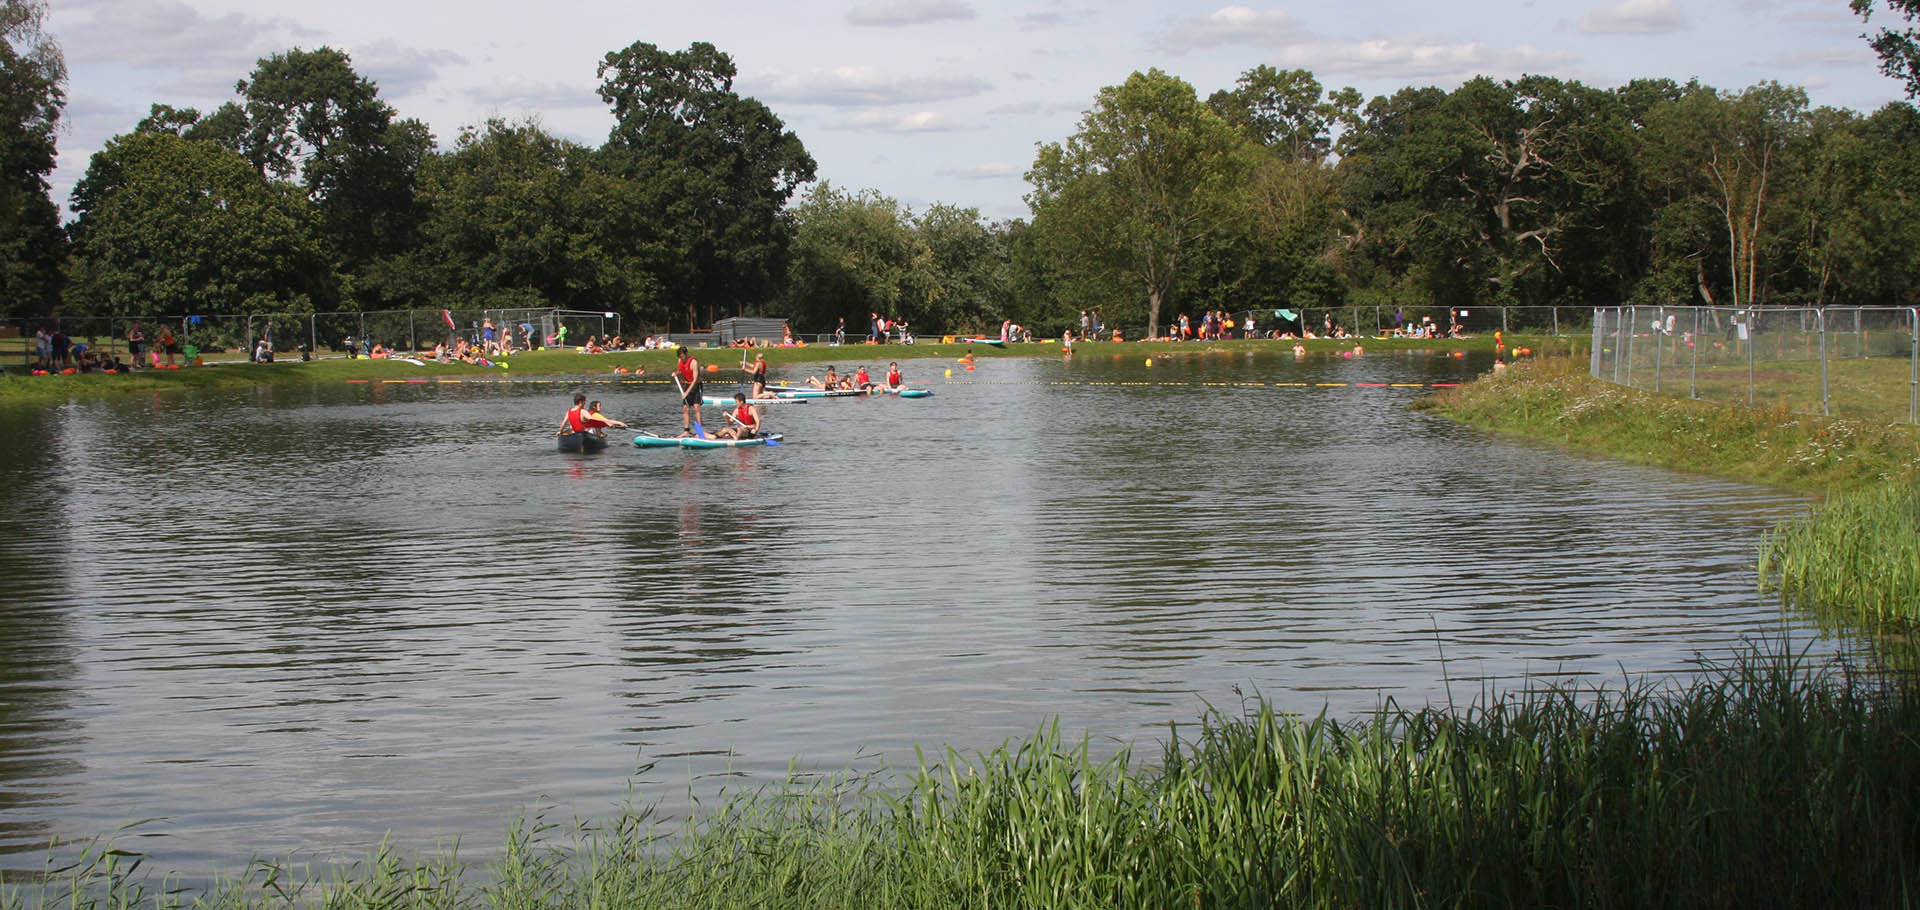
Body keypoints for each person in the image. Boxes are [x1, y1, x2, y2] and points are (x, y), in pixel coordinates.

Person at [673, 346, 703, 435]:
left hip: (696, 385)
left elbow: (695, 379)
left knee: (696, 407)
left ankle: (699, 431)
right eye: (680, 357)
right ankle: (686, 431)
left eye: (682, 356)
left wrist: (687, 392)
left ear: (686, 354)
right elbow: (680, 370)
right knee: (685, 408)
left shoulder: (694, 362)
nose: (681, 358)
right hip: (687, 385)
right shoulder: (680, 361)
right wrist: (676, 373)